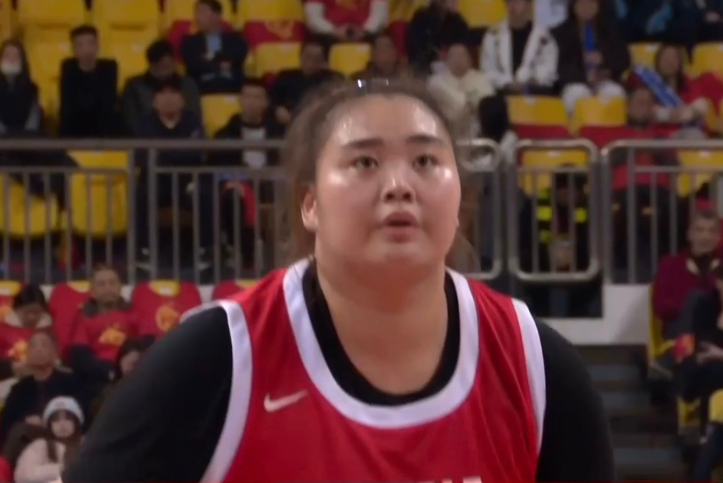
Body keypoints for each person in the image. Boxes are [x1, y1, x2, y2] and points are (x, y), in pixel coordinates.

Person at [64, 79, 614, 482]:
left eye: (425, 161)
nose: (399, 185)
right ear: (310, 204)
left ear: (460, 199)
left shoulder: (538, 367)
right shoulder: (216, 359)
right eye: (365, 162)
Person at [58, 25, 120, 138]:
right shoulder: (69, 69)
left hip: (103, 134)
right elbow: (67, 110)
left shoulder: (108, 68)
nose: (86, 50)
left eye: (90, 44)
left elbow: (108, 107)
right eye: (80, 45)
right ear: (73, 49)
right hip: (74, 132)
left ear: (98, 46)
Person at [14, 396, 84, 483]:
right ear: (49, 424)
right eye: (56, 420)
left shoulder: (86, 445)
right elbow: (23, 475)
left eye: (68, 418)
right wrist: (61, 469)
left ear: (76, 422)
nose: (62, 424)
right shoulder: (39, 446)